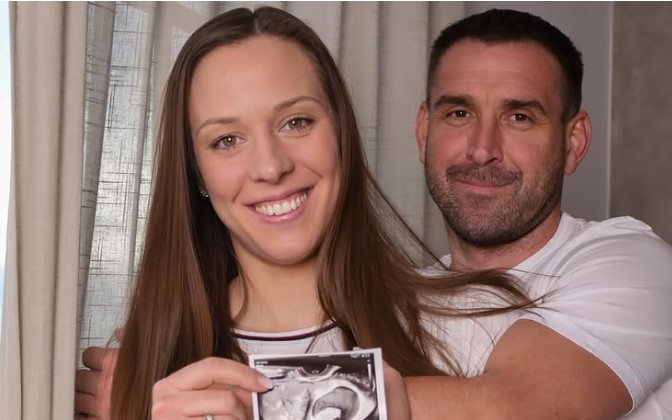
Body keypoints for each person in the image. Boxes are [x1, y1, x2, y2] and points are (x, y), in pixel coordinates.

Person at [74, 6, 532, 420]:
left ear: (341, 133)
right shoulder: (141, 372)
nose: (271, 167)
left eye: (296, 122)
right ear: (196, 173)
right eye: (226, 140)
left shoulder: (480, 324)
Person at [409, 8, 672, 420]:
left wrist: (332, 394)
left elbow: (516, 409)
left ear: (574, 143)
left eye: (519, 117)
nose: (482, 149)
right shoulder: (398, 301)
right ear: (425, 133)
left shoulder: (636, 266)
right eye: (459, 114)